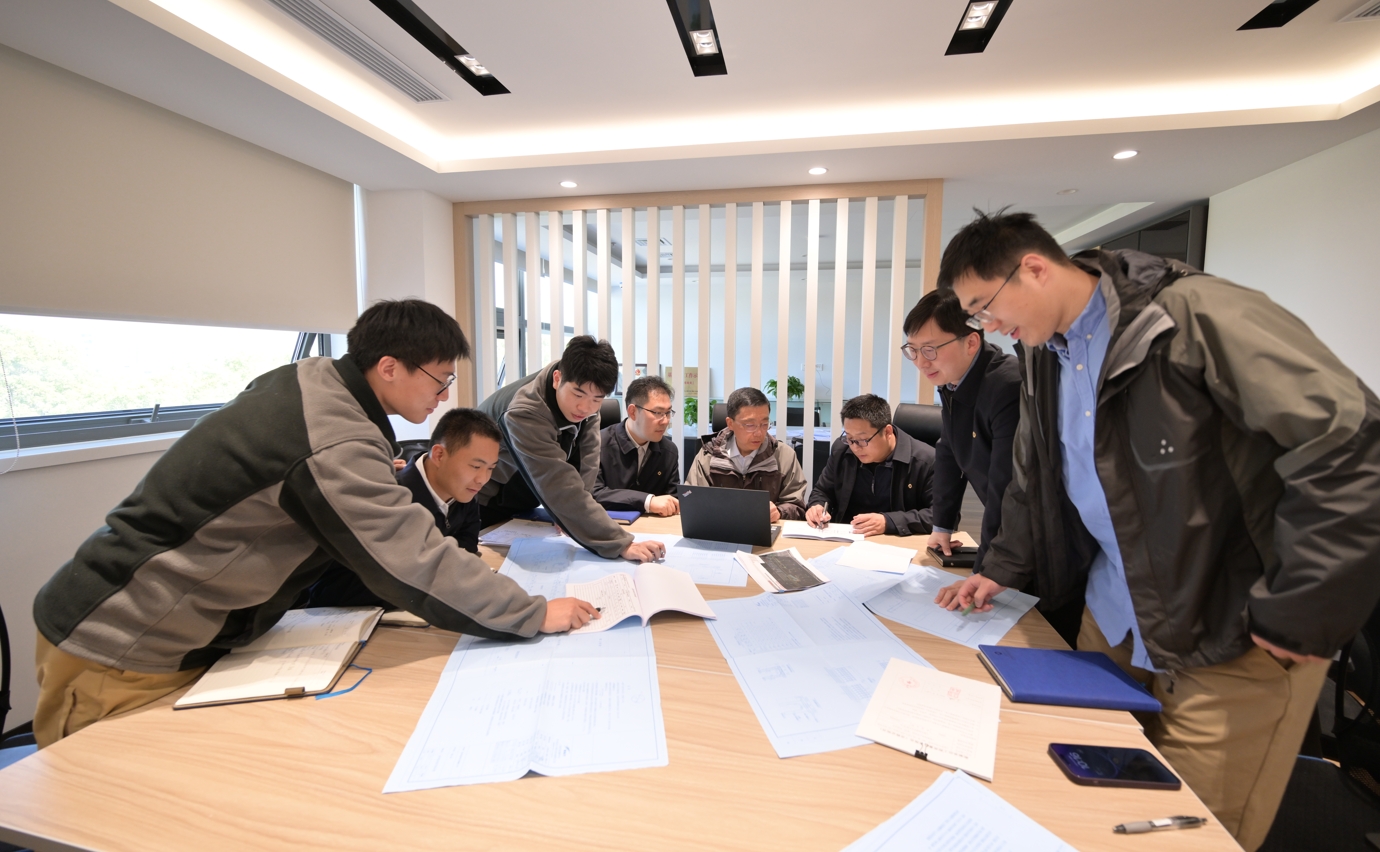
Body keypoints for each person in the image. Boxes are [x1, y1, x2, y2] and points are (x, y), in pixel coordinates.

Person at [941, 209, 1380, 852]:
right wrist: (1001, 566)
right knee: (1084, 799)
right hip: (1114, 613)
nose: (987, 326)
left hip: (1226, 630)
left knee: (1184, 830)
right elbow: (1036, 476)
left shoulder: (1196, 316)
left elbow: (1351, 446)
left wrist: (1301, 608)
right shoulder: (1042, 353)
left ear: (1033, 269)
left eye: (984, 307)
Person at [30, 300, 600, 748]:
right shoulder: (335, 433)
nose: (444, 394)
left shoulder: (311, 381)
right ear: (389, 367)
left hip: (179, 635)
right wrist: (531, 612)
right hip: (124, 642)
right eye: (439, 380)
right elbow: (411, 555)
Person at [476, 336, 664, 562]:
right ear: (557, 379)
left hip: (522, 498)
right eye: (578, 395)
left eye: (597, 399)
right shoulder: (525, 411)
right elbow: (557, 482)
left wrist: (573, 517)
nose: (585, 407)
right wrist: (620, 543)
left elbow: (588, 462)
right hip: (485, 499)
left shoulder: (584, 390)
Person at [303, 407, 501, 609]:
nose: (483, 479)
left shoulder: (463, 492)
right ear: (439, 455)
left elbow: (465, 552)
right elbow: (331, 588)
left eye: (491, 468)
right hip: (347, 617)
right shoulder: (386, 498)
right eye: (476, 467)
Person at [804, 394, 935, 536]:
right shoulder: (842, 450)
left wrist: (889, 522)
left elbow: (940, 514)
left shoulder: (926, 461)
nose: (855, 447)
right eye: (849, 438)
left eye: (862, 440)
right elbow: (822, 491)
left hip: (898, 539)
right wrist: (817, 507)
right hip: (847, 536)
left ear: (887, 432)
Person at [687, 386, 807, 521]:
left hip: (767, 530)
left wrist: (780, 512)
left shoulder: (784, 456)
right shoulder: (708, 455)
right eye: (750, 425)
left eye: (764, 424)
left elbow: (797, 506)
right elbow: (691, 501)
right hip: (719, 528)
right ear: (730, 423)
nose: (759, 433)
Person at [593, 375, 681, 516]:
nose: (665, 421)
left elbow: (672, 501)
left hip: (652, 527)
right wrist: (647, 501)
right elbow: (592, 493)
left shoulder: (669, 451)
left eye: (668, 412)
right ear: (633, 412)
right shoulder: (597, 445)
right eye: (658, 413)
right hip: (606, 524)